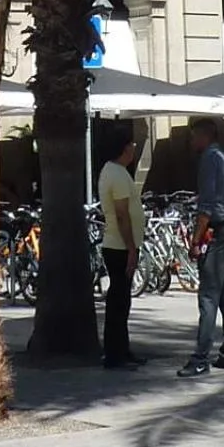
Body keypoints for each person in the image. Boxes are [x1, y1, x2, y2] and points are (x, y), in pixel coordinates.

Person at [179, 119, 224, 378]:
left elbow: (206, 206)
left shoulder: (209, 159)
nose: (190, 141)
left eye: (192, 136)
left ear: (203, 136)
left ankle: (200, 358)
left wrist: (196, 241)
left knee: (208, 296)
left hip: (218, 231)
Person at [97, 133, 145, 370]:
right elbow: (121, 214)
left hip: (119, 244)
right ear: (124, 148)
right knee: (118, 302)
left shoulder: (116, 172)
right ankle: (114, 354)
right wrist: (131, 248)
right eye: (132, 146)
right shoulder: (116, 174)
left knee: (122, 301)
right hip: (118, 246)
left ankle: (122, 350)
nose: (134, 150)